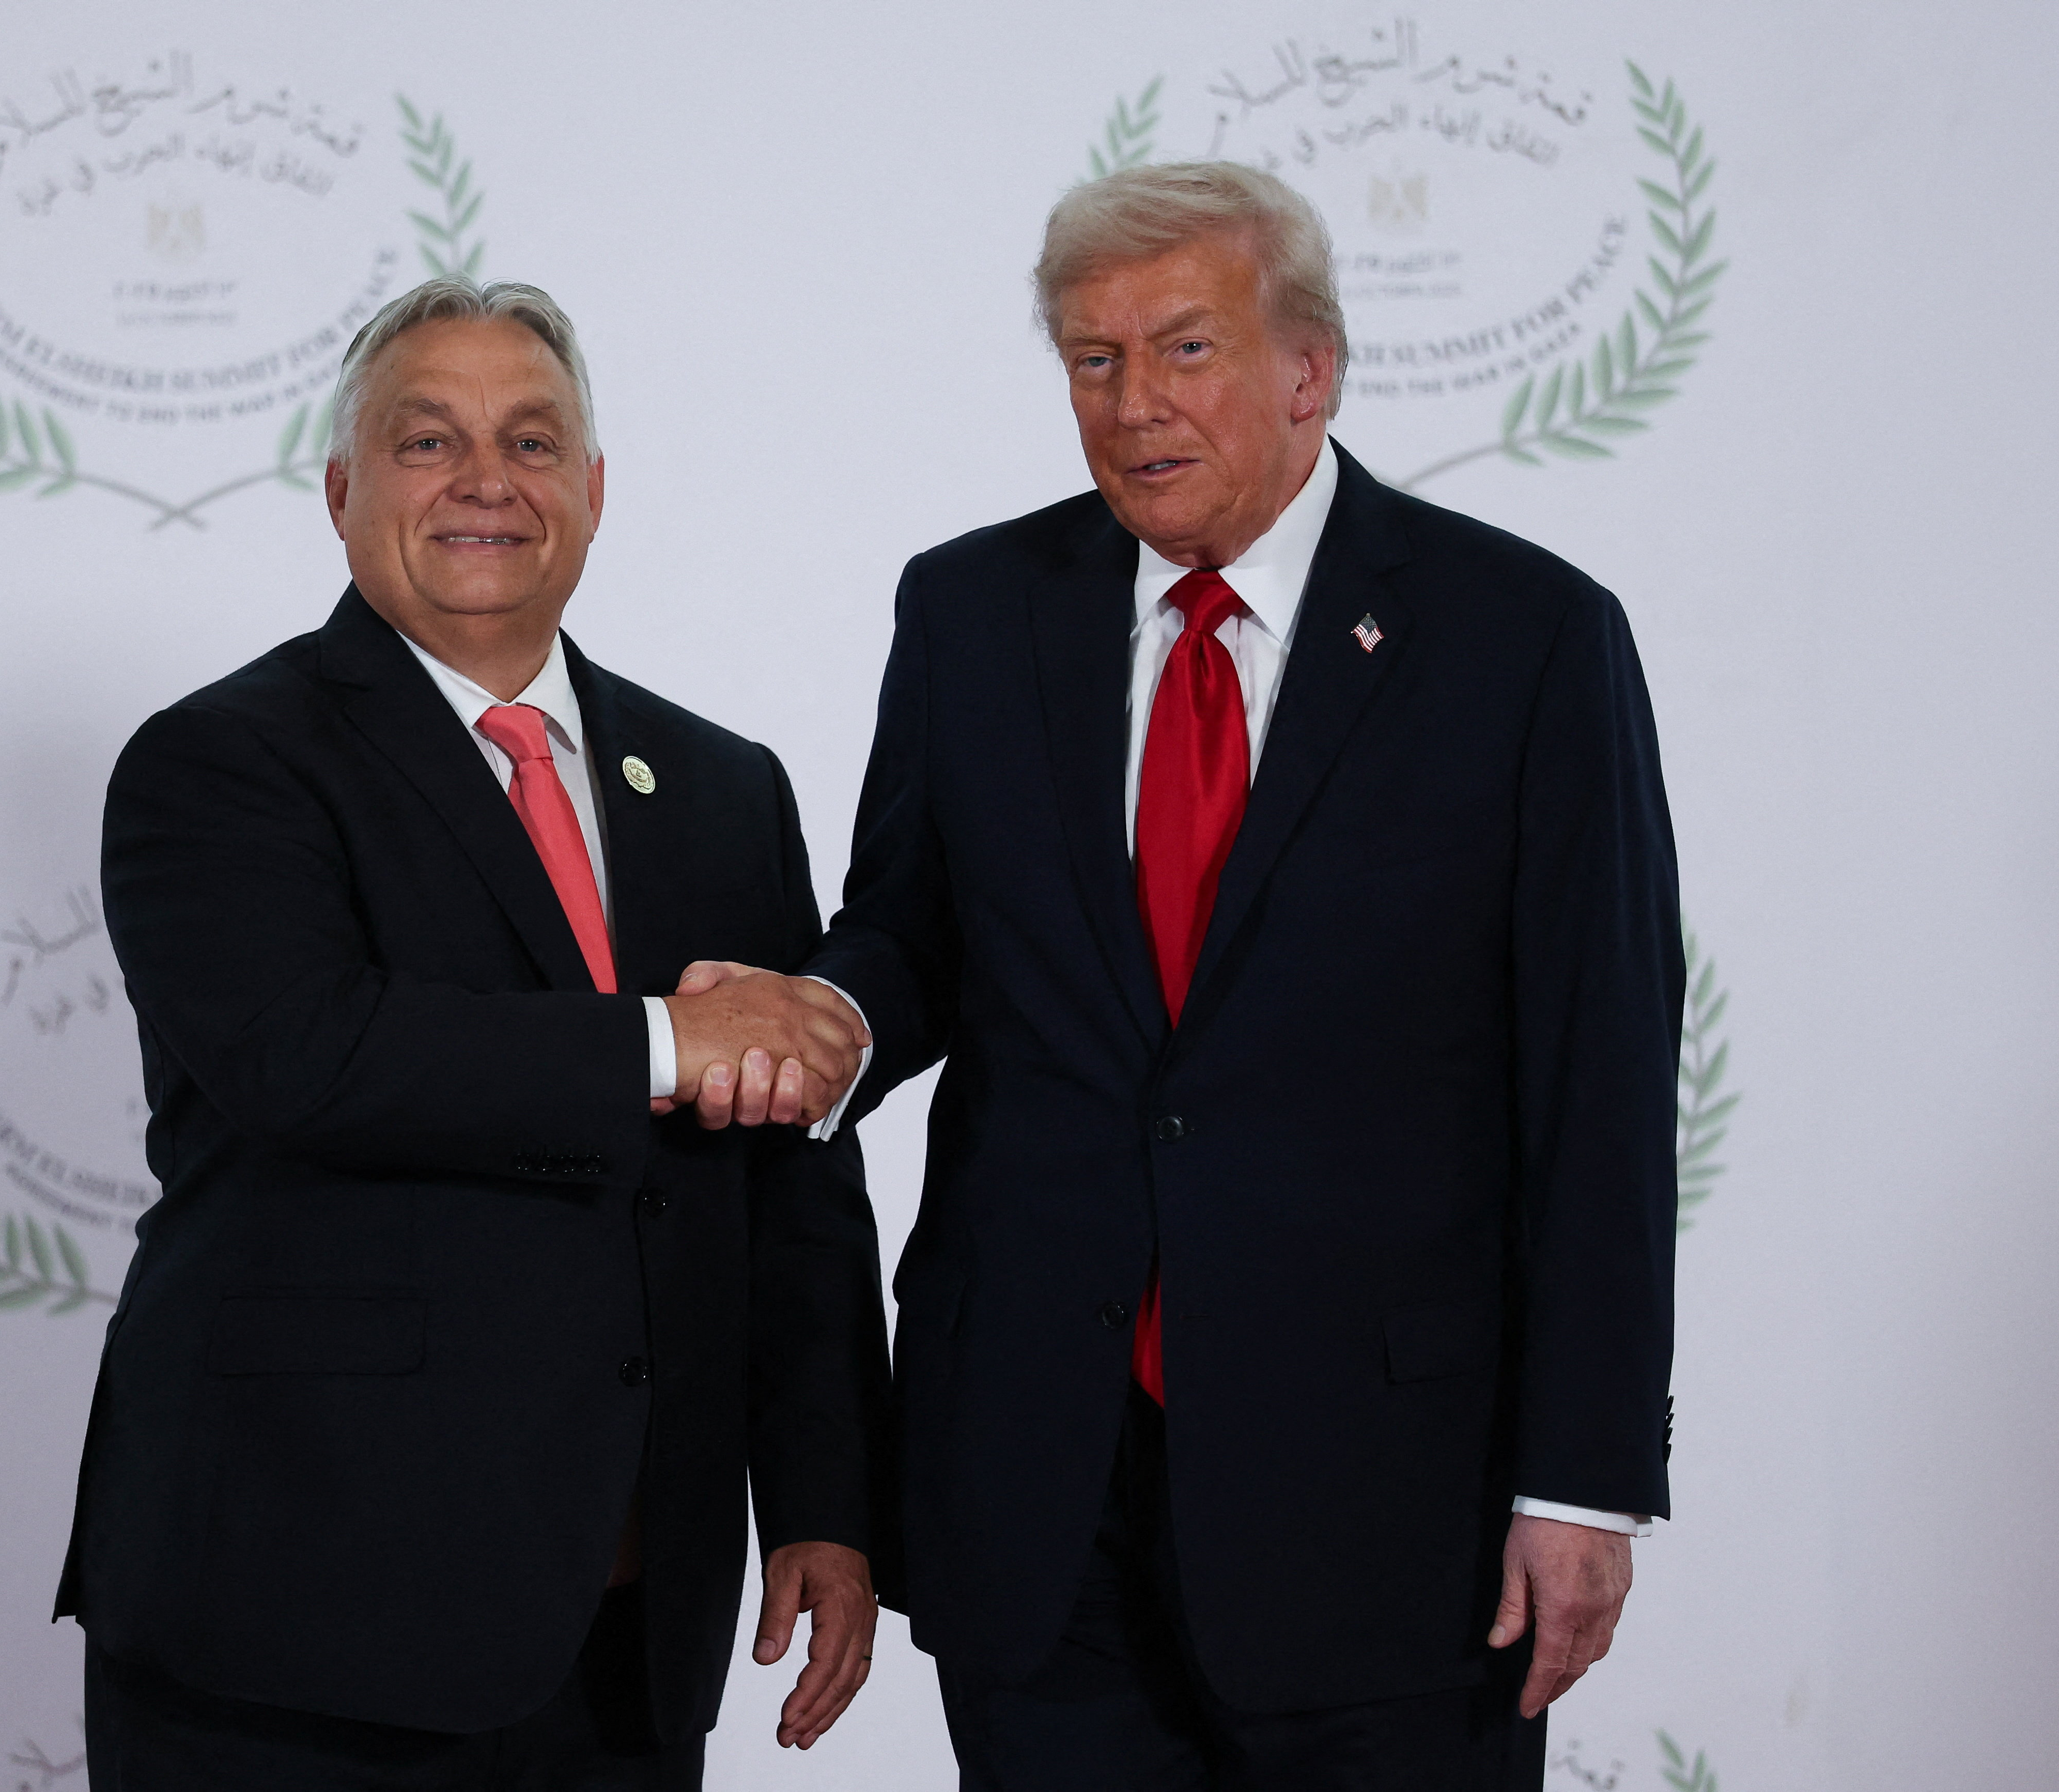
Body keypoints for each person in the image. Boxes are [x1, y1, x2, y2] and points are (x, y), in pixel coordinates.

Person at [683, 161, 1680, 1788]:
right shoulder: (972, 610)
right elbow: (915, 928)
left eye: (1185, 349)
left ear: (1309, 370)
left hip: (1388, 1508)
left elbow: (1601, 1076)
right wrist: (832, 1016)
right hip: (1038, 1490)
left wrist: (1580, 1479)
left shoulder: (1524, 640)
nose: (1133, 402)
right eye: (1094, 359)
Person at [53, 276, 892, 1791]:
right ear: (341, 491)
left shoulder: (722, 787)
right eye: (428, 440)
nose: (485, 481)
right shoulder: (221, 761)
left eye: (532, 440)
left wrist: (826, 1502)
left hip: (630, 1627)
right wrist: (665, 1043)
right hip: (295, 1616)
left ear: (593, 491)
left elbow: (795, 1188)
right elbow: (309, 1057)